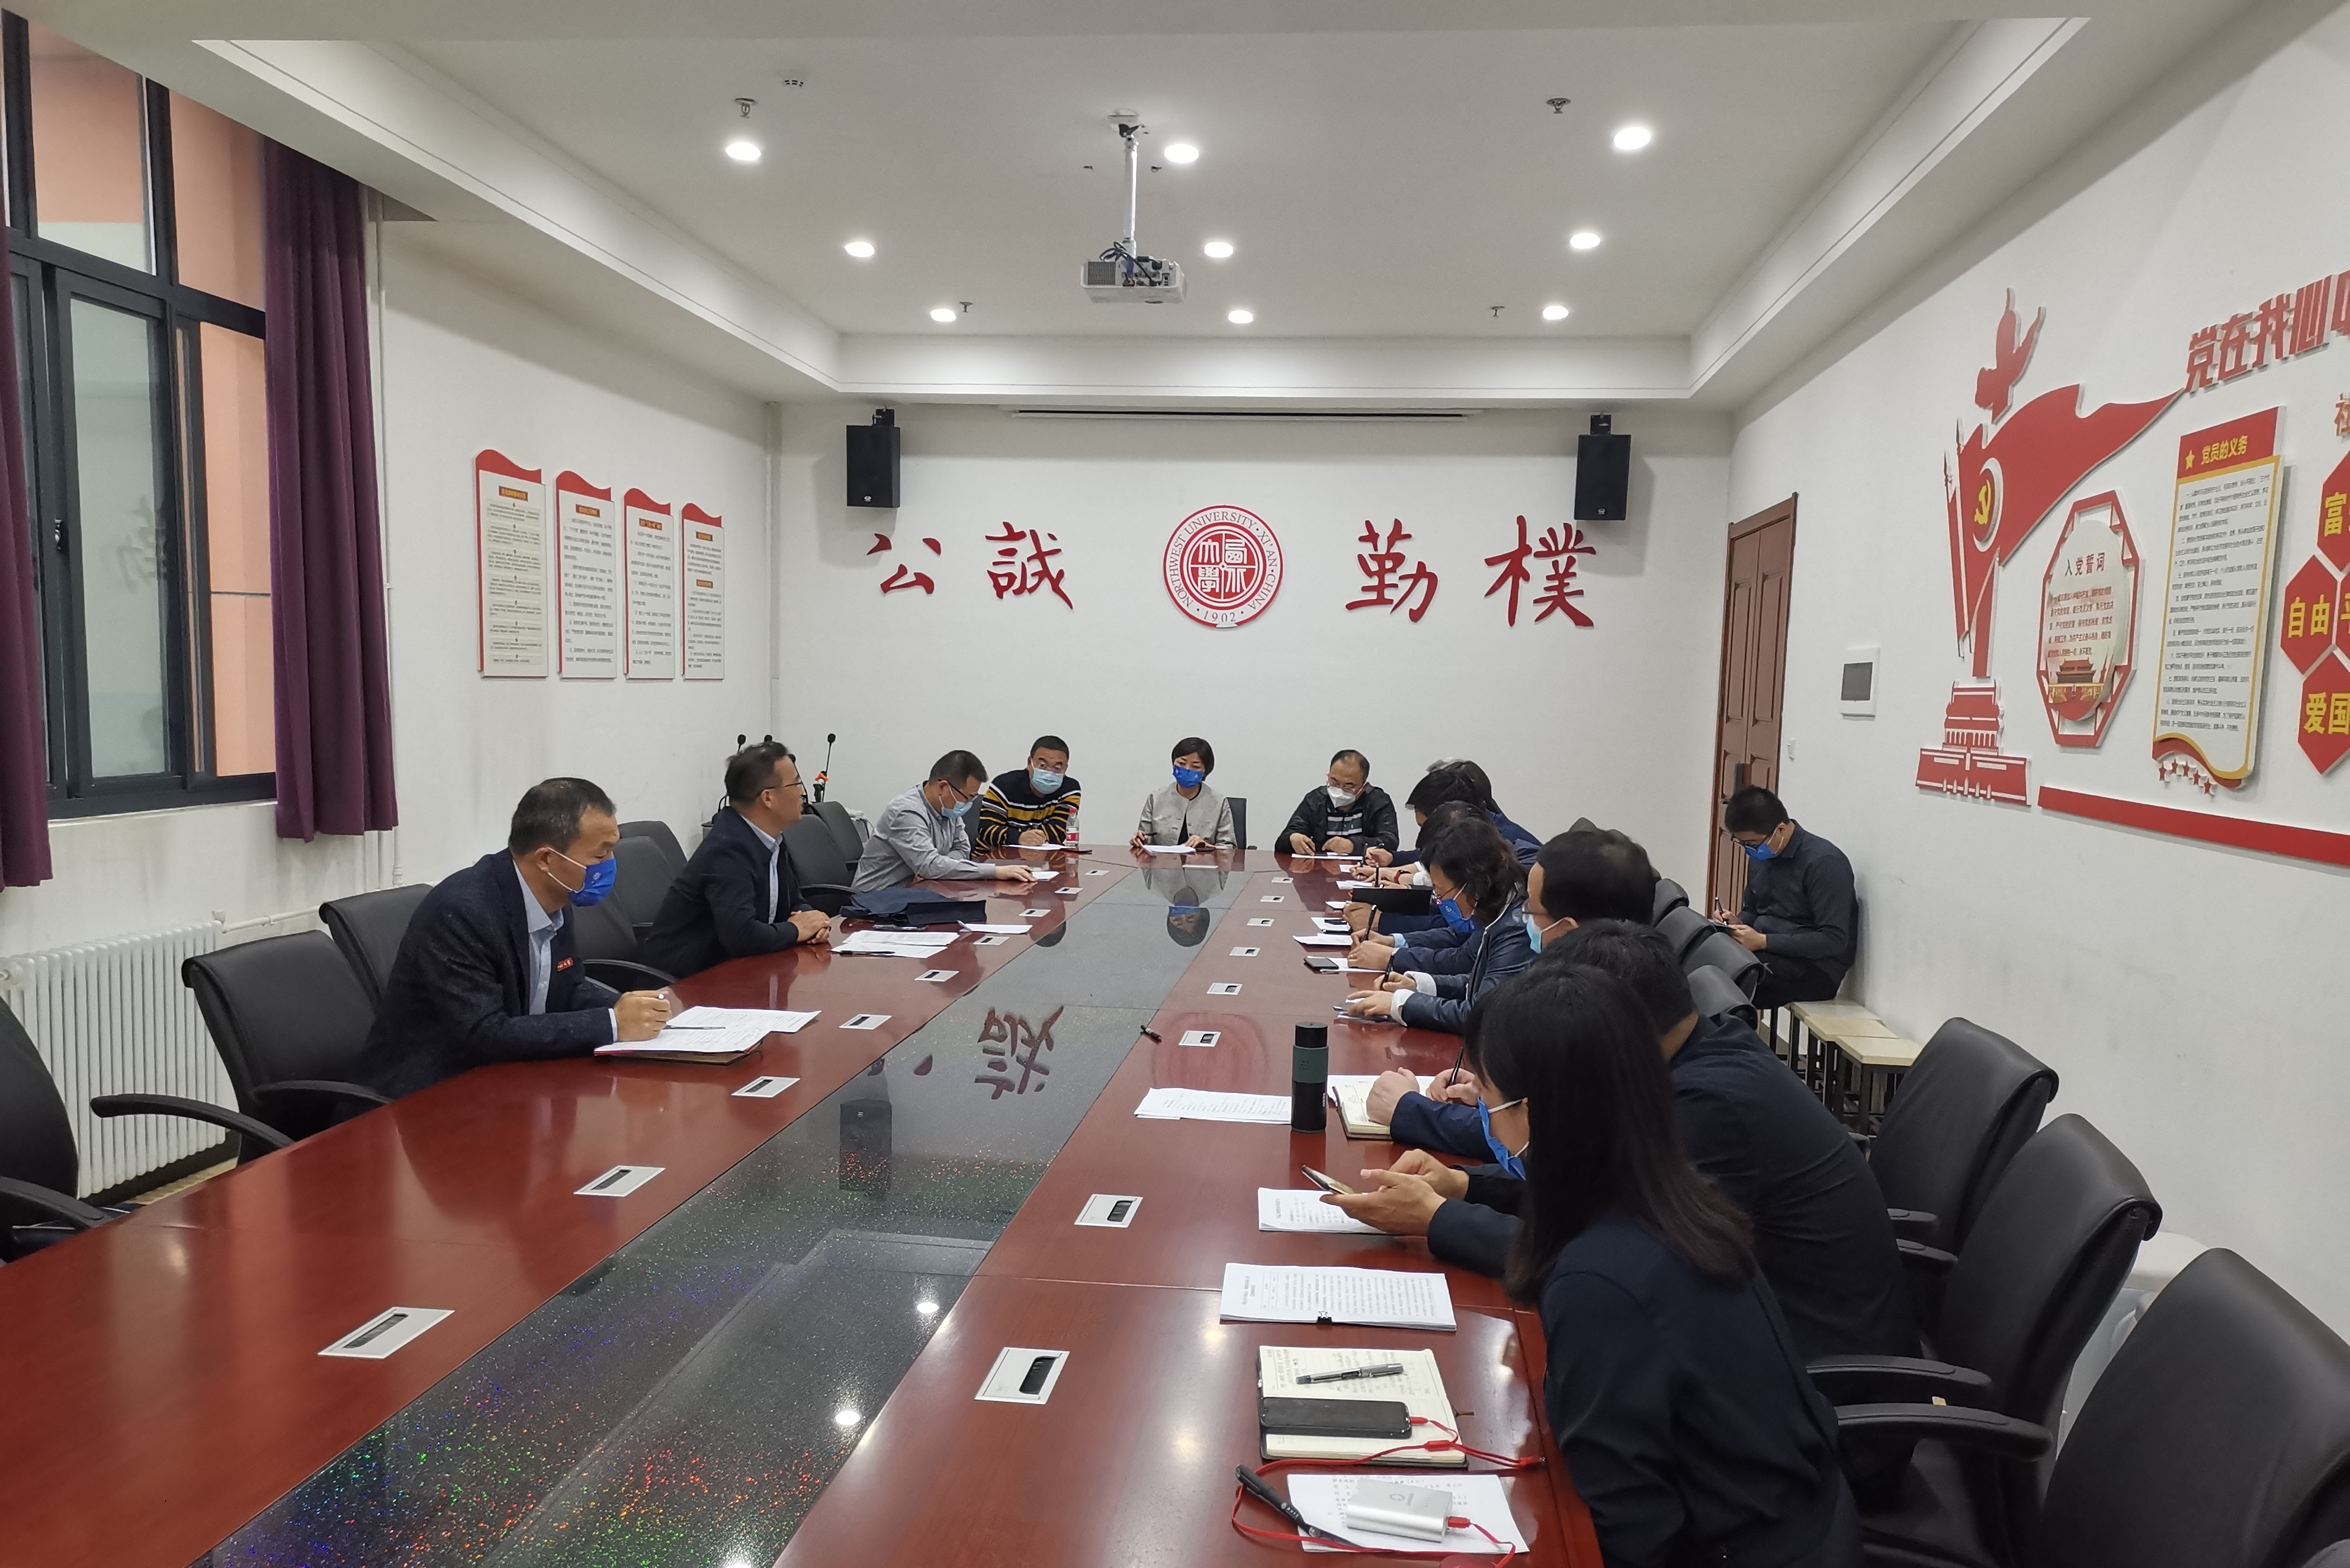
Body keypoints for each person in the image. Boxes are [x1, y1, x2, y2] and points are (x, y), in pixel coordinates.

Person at [1388, 966, 1862, 1568]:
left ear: (1533, 1113)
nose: (1484, 1113)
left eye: (1487, 1096)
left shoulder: (1601, 1281)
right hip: (1801, 1523)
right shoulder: (1674, 1198)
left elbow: (1628, 1531)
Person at [1337, 921, 1916, 1368]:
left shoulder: (1708, 1109)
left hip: (1805, 1394)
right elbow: (1595, 1198)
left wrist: (1437, 1218)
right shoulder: (1689, 1057)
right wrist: (1464, 1185)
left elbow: (1593, 1253)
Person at [355, 777, 673, 1098]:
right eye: (600, 855)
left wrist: (635, 1010)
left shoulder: (557, 895)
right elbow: (484, 1032)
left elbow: (568, 989)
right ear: (547, 859)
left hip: (511, 1078)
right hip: (426, 1094)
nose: (610, 865)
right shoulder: (463, 912)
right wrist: (612, 1023)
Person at [1362, 826, 1653, 1132]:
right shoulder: (1612, 993)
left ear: (1568, 930)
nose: (1523, 916)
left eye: (1531, 909)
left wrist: (1411, 1111)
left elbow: (1533, 1134)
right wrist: (1493, 1096)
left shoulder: (1588, 1018)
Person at [643, 742, 830, 978]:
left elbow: (793, 901)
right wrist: (796, 930)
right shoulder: (728, 850)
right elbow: (741, 936)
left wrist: (812, 922)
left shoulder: (772, 840)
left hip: (743, 971)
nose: (802, 792)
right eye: (796, 784)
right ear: (768, 798)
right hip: (685, 983)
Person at [1340, 819, 1530, 1033]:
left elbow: (1480, 1015)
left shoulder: (1515, 927)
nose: (1440, 902)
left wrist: (1401, 1004)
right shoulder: (1495, 910)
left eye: (1441, 893)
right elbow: (1479, 981)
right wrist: (1418, 985)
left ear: (1473, 884)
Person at [1720, 786, 1857, 1009]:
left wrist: (1763, 941)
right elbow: (1753, 909)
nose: (1749, 851)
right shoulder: (1762, 855)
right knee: (1708, 962)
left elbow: (1833, 939)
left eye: (1752, 844)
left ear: (1781, 829)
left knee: (1729, 980)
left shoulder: (1824, 863)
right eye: (1742, 843)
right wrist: (1738, 923)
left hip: (1815, 969)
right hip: (1769, 951)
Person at [853, 751, 1040, 892]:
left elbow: (962, 849)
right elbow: (930, 866)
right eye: (968, 797)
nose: (968, 804)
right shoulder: (906, 811)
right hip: (875, 900)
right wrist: (995, 872)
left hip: (918, 893)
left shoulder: (948, 809)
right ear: (943, 787)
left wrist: (939, 868)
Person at [1280, 749, 1398, 858]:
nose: (1340, 790)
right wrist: (1292, 838)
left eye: (1349, 786)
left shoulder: (1379, 802)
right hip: (1320, 868)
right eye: (1334, 782)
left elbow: (1390, 841)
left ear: (1364, 787)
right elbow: (1283, 840)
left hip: (1363, 869)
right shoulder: (1314, 801)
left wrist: (1353, 846)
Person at [974, 735, 1081, 852]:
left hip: (1044, 857)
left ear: (1065, 768)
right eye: (1043, 766)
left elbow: (1059, 832)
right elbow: (987, 829)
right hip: (992, 857)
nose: (1049, 773)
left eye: (1057, 768)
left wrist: (1021, 837)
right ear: (1030, 763)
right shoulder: (1004, 785)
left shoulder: (1070, 790)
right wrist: (1019, 838)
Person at [1131, 737, 1236, 849]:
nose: (1187, 769)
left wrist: (1207, 846)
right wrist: (1140, 840)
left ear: (1205, 770)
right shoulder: (1156, 798)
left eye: (1195, 766)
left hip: (1203, 860)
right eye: (1181, 763)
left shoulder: (1218, 802)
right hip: (1163, 860)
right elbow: (1145, 838)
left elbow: (1230, 848)